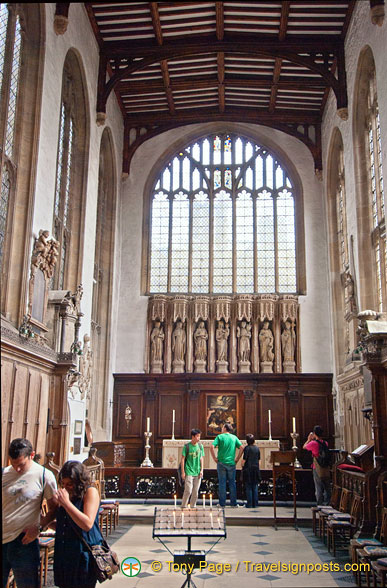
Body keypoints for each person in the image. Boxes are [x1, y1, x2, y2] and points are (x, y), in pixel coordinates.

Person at [2, 438, 57, 588]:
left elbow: (54, 509)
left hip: (24, 541)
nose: (17, 469)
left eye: (21, 465)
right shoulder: (4, 473)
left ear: (31, 455)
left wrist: (39, 528)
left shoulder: (44, 475)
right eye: (13, 464)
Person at [52, 461, 104, 588]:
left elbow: (87, 524)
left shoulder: (90, 492)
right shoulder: (67, 496)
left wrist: (66, 504)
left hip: (82, 553)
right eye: (63, 484)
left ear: (79, 482)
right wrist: (43, 522)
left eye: (70, 484)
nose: (65, 488)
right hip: (64, 552)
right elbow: (65, 524)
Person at [210, 423, 244, 507]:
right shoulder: (234, 437)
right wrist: (237, 459)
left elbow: (211, 447)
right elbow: (242, 448)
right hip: (231, 463)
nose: (221, 429)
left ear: (225, 428)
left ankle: (222, 503)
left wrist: (214, 458)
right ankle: (233, 503)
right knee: (232, 483)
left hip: (221, 462)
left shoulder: (220, 437)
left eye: (222, 428)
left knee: (222, 483)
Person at [303, 425, 331, 506]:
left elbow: (304, 447)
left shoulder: (313, 443)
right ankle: (327, 503)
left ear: (314, 433)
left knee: (318, 487)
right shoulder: (325, 443)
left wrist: (309, 439)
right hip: (325, 467)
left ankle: (320, 504)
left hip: (317, 467)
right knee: (327, 487)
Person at [180, 429, 204, 508]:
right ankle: (184, 506)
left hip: (197, 471)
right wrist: (183, 472)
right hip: (189, 470)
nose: (198, 438)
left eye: (199, 436)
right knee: (188, 490)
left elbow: (201, 458)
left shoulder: (200, 446)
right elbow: (183, 459)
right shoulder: (187, 446)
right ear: (193, 436)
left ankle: (193, 506)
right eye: (197, 436)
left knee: (195, 491)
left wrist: (202, 470)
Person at [241, 434, 261, 508]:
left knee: (248, 486)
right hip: (255, 468)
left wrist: (241, 465)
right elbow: (259, 459)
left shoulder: (247, 448)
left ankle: (249, 503)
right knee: (255, 486)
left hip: (248, 469)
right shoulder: (257, 448)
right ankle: (255, 503)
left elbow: (244, 459)